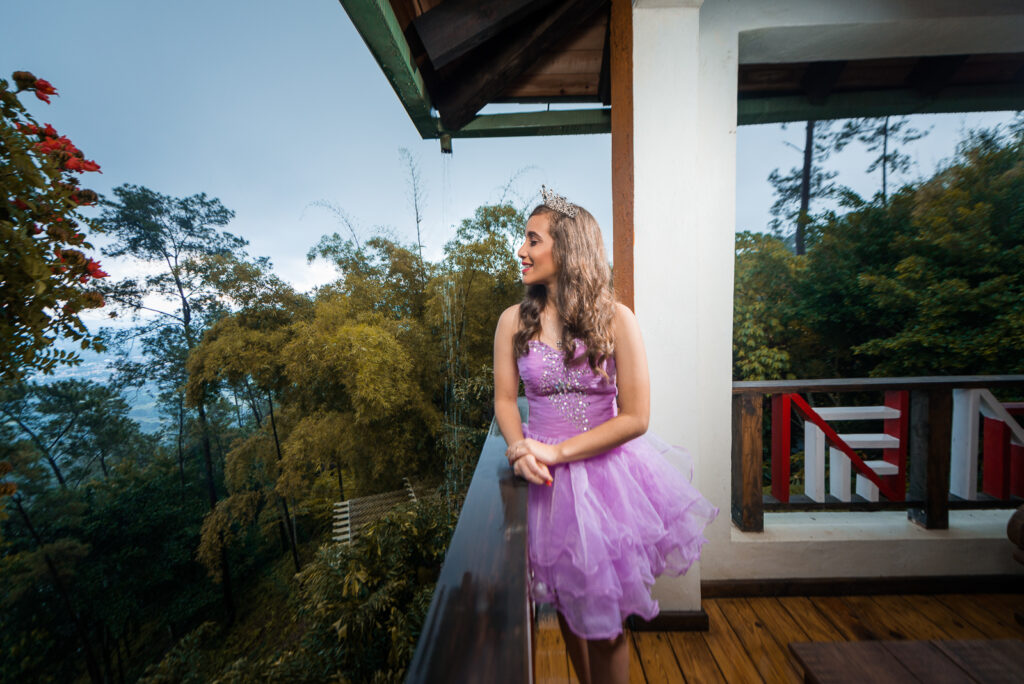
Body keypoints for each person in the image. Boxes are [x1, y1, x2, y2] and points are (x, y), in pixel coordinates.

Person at [493, 187, 718, 684]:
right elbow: (506, 401)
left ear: (567, 247)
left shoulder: (617, 319)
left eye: (533, 239)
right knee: (572, 611)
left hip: (605, 481)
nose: (521, 250)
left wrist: (555, 450)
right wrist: (518, 448)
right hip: (546, 487)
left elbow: (636, 417)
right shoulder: (512, 321)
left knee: (607, 624)